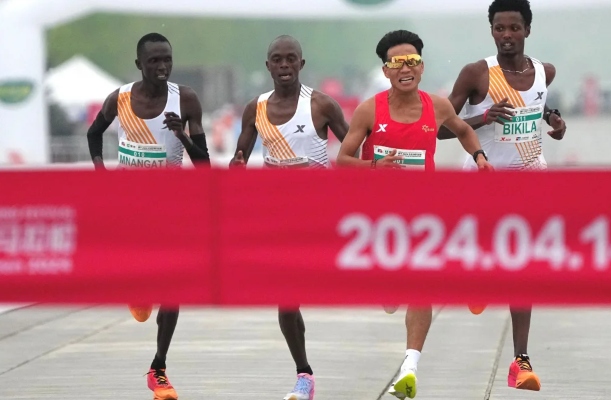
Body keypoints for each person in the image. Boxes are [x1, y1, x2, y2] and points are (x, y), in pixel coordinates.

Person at [336, 29, 493, 399]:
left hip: (423, 214)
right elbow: (343, 159)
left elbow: (464, 129)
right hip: (380, 219)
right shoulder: (369, 110)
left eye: (412, 61)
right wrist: (375, 165)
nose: (405, 68)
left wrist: (480, 157)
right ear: (386, 70)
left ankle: (410, 367)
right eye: (396, 63)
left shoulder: (436, 106)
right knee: (391, 299)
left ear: (421, 67)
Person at [437, 0, 568, 392]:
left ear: (528, 29)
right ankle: (476, 276)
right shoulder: (477, 73)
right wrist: (482, 118)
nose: (507, 36)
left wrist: (555, 125)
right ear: (491, 30)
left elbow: (538, 109)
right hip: (483, 178)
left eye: (514, 28)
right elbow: (441, 127)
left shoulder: (545, 71)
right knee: (486, 255)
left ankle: (521, 361)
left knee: (523, 268)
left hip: (530, 178)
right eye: (499, 28)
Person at [86, 32, 210, 400]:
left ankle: (158, 369)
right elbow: (94, 134)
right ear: (140, 64)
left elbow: (204, 165)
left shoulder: (185, 99)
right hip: (129, 211)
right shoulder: (120, 98)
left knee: (175, 287)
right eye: (154, 61)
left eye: (167, 59)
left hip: (172, 210)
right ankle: (136, 285)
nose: (162, 67)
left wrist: (182, 135)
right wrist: (100, 171)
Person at [230, 35, 349, 400]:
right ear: (268, 66)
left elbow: (355, 148)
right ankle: (304, 375)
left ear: (301, 64)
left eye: (290, 59)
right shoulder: (255, 108)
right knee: (286, 300)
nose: (284, 66)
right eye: (277, 60)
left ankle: (386, 287)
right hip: (278, 218)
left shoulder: (322, 105)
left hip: (319, 216)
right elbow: (239, 159)